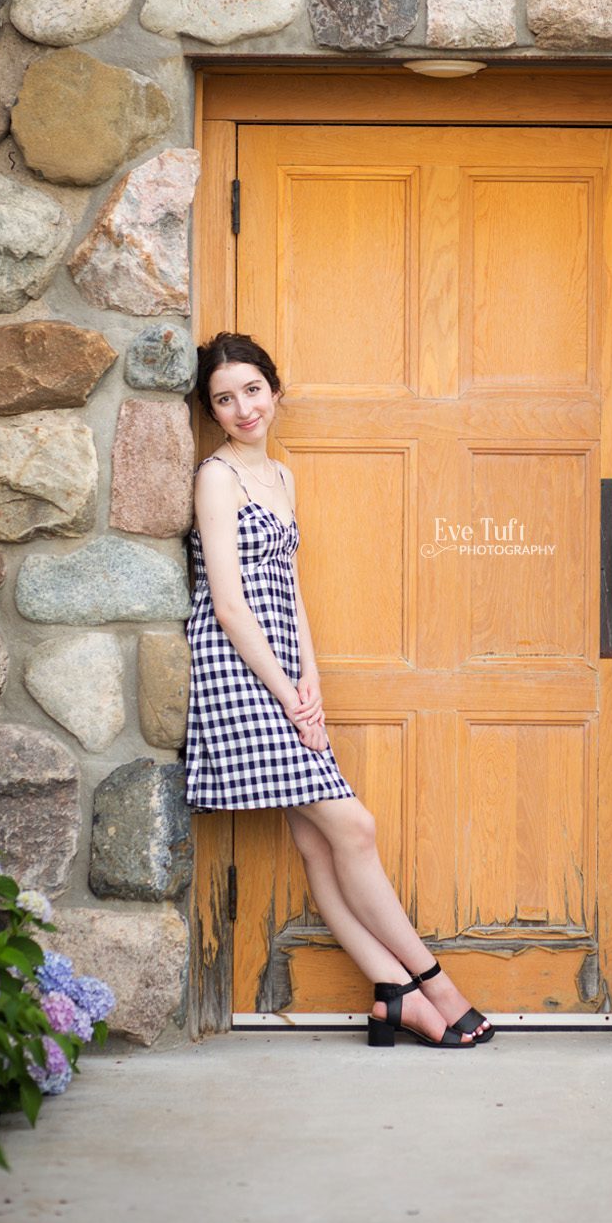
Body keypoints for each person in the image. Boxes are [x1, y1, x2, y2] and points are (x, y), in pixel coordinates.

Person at [183, 331, 494, 1049]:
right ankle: (434, 984)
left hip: (284, 668)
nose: (242, 407)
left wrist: (311, 679)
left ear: (275, 390)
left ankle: (391, 994)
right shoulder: (217, 478)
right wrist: (285, 693)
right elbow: (229, 603)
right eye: (224, 398)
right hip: (236, 670)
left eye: (252, 390)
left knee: (322, 848)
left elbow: (287, 591)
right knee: (353, 826)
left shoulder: (283, 478)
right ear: (212, 410)